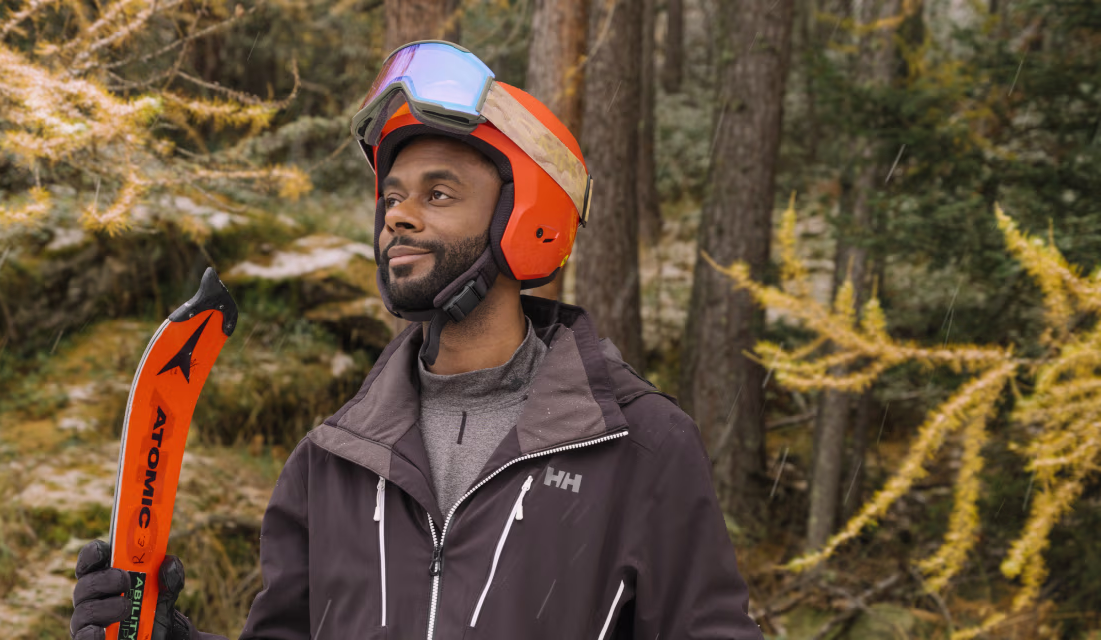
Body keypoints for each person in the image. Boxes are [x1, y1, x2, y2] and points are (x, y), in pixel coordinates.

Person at [70, 41, 763, 640]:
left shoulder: (640, 449)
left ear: (527, 219)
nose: (398, 217)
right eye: (393, 196)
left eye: (438, 194)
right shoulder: (331, 461)